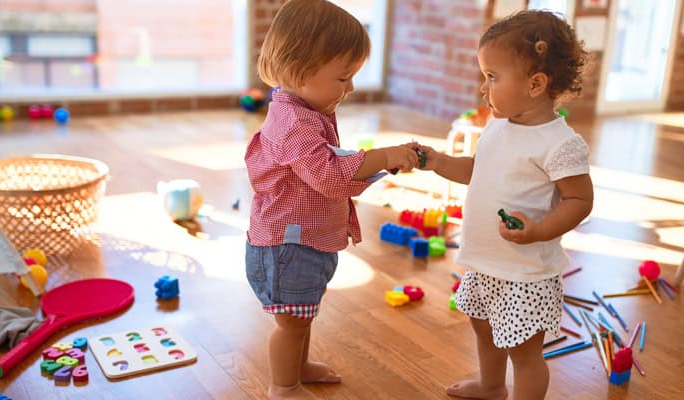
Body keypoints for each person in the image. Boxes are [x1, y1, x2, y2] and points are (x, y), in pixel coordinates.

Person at [244, 1, 419, 399]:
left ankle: (299, 367)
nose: (351, 89)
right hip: (286, 246)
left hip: (305, 239)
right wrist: (384, 156)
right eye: (343, 78)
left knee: (301, 317)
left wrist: (379, 164)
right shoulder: (294, 123)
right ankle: (283, 386)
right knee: (291, 322)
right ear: (300, 71)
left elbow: (330, 164)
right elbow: (328, 174)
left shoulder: (305, 107)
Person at [420, 10, 593, 400]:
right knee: (483, 327)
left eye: (492, 77)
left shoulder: (560, 143)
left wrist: (538, 230)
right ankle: (492, 386)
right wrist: (438, 162)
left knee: (524, 351)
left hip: (526, 273)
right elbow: (479, 170)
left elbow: (580, 200)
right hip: (485, 261)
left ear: (534, 84)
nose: (483, 88)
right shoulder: (498, 124)